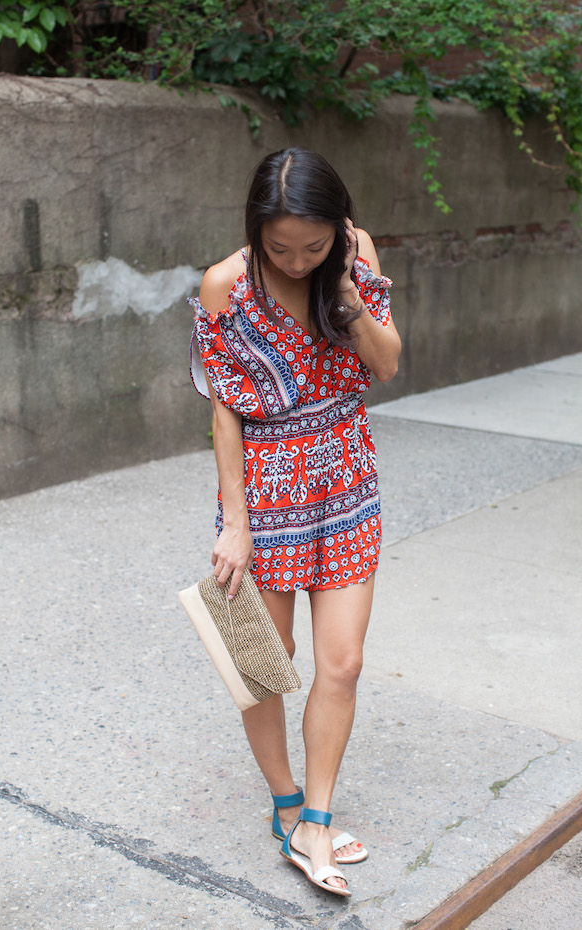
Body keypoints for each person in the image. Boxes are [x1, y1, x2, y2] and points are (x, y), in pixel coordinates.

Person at [189, 147, 401, 897]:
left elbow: (387, 363)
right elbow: (225, 409)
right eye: (281, 248)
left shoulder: (353, 256)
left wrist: (342, 282)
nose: (297, 259)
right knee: (265, 658)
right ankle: (286, 804)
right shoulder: (226, 284)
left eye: (314, 245)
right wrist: (234, 522)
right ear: (256, 229)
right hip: (266, 488)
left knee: (341, 662)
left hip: (346, 472)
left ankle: (317, 814)